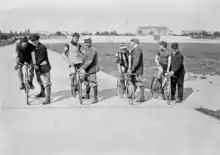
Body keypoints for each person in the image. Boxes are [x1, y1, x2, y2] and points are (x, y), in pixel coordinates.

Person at [29, 34, 52, 105]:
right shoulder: (33, 47)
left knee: (46, 82)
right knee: (39, 80)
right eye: (32, 41)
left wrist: (35, 64)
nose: (33, 42)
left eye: (34, 40)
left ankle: (48, 98)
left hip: (44, 67)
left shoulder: (42, 47)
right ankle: (42, 93)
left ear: (38, 40)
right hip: (37, 67)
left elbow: (41, 58)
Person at [62, 32, 83, 97]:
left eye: (78, 38)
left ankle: (77, 85)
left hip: (79, 62)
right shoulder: (67, 45)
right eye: (75, 38)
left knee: (83, 75)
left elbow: (82, 52)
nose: (77, 39)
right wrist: (69, 63)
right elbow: (63, 54)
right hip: (72, 63)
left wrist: (87, 56)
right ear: (73, 37)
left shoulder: (79, 45)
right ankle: (72, 86)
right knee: (73, 74)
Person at [79, 37, 99, 104]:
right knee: (87, 82)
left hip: (92, 68)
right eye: (85, 43)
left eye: (88, 43)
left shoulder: (93, 50)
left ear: (91, 43)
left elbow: (90, 60)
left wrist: (82, 68)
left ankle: (95, 98)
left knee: (93, 83)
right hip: (86, 69)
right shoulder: (86, 49)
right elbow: (84, 58)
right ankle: (87, 95)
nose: (86, 44)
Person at [128, 38, 145, 103]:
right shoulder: (135, 49)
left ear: (134, 42)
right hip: (135, 69)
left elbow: (136, 61)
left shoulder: (138, 49)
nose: (130, 44)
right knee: (134, 82)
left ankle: (142, 97)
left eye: (131, 42)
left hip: (137, 69)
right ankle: (132, 95)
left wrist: (132, 69)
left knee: (139, 83)